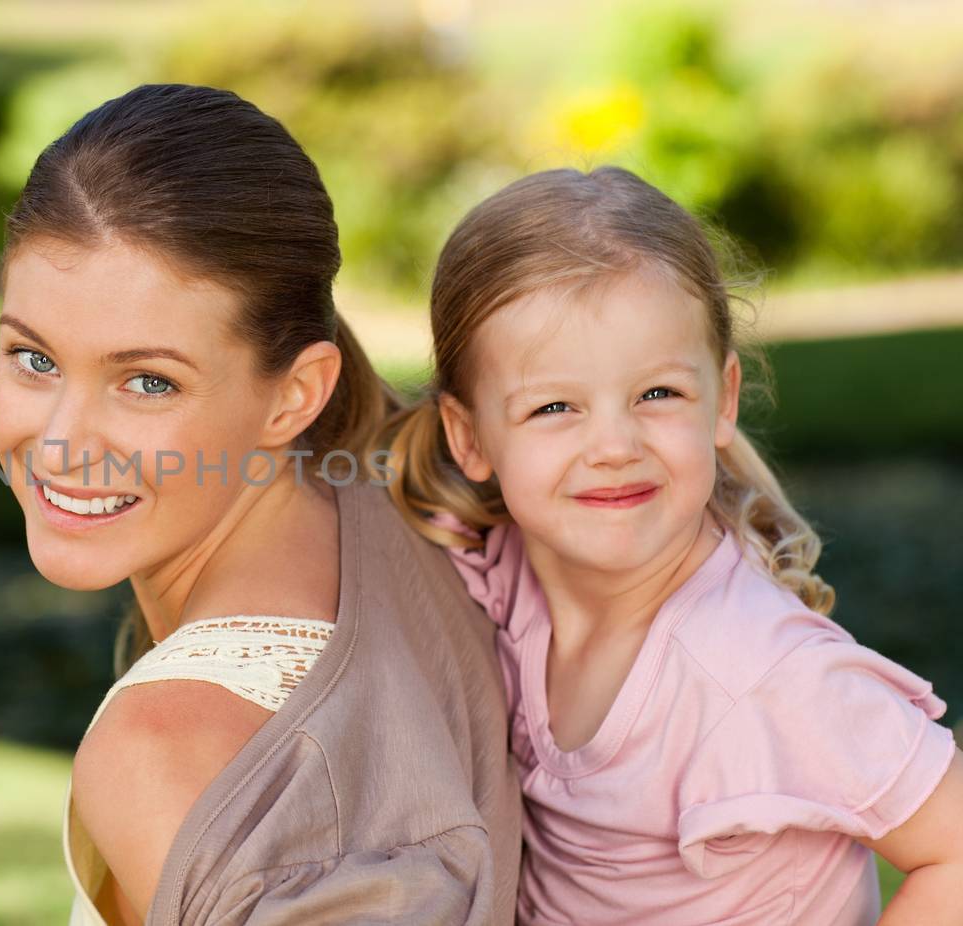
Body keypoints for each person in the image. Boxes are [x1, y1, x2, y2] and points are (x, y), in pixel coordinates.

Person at [0, 83, 521, 924]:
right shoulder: (408, 504)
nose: (60, 444)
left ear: (296, 394)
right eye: (34, 359)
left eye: (148, 381)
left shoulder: (161, 752)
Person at [378, 165, 963, 925]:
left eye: (658, 394)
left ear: (721, 400)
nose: (614, 445)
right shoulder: (505, 570)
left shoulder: (761, 673)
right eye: (555, 407)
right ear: (470, 437)